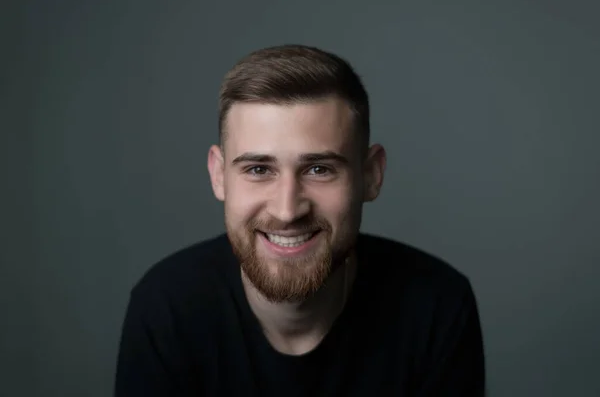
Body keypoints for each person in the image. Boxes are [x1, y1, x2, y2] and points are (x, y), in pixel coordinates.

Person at [114, 44, 486, 396]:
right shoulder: (167, 310)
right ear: (218, 175)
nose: (287, 210)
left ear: (370, 175)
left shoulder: (436, 307)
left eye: (319, 169)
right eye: (259, 169)